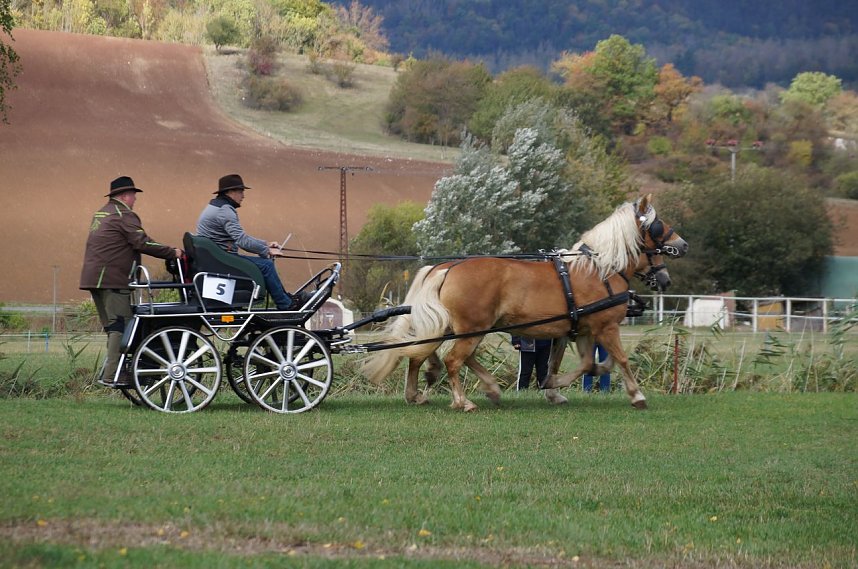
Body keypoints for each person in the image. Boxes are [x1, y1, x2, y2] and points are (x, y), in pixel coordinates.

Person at [80, 176, 182, 387]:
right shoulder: (124, 214)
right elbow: (142, 242)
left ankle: (115, 370)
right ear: (125, 196)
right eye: (134, 195)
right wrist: (173, 253)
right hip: (113, 279)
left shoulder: (101, 213)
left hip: (93, 278)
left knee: (111, 327)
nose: (135, 199)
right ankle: (113, 374)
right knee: (121, 326)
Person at [196, 174, 307, 310]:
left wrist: (265, 244)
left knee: (264, 264)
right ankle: (286, 305)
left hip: (218, 258)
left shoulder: (215, 206)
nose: (243, 195)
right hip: (222, 261)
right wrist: (266, 251)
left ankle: (286, 299)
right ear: (230, 192)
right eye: (241, 191)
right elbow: (242, 241)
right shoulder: (225, 211)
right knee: (266, 266)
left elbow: (241, 237)